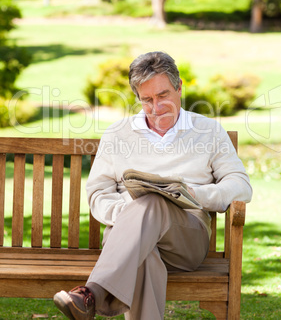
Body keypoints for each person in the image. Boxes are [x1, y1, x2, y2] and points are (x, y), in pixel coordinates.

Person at [54, 51, 252, 320]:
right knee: (144, 254)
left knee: (155, 201)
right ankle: (93, 294)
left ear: (179, 87)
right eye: (147, 100)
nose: (156, 107)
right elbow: (98, 193)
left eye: (163, 96)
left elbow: (240, 185)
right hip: (129, 241)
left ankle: (92, 294)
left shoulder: (208, 131)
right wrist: (130, 215)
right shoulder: (117, 134)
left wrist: (195, 195)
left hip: (186, 239)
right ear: (137, 97)